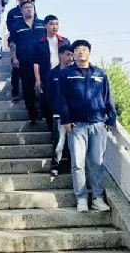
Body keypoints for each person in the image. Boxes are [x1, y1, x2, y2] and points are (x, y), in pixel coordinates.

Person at [58, 40, 116, 213]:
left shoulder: (99, 73)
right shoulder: (66, 74)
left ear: (89, 52)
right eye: (77, 50)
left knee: (97, 162)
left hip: (97, 124)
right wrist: (66, 119)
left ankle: (97, 198)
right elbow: (61, 98)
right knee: (78, 163)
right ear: (73, 54)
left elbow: (108, 96)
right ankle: (81, 198)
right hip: (76, 125)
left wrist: (111, 118)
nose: (81, 52)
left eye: (84, 49)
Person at [9, 1, 46, 122]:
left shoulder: (42, 24)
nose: (29, 9)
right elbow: (12, 43)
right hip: (25, 60)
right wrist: (14, 58)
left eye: (31, 7)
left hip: (43, 60)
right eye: (26, 7)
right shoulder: (16, 27)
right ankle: (32, 114)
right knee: (27, 86)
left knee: (45, 85)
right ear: (21, 11)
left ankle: (46, 112)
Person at [33, 15, 71, 131]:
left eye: (56, 24)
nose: (54, 27)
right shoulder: (40, 43)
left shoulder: (64, 41)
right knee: (49, 101)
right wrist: (38, 79)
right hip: (48, 75)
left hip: (64, 74)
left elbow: (71, 58)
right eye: (51, 24)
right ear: (45, 26)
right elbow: (36, 63)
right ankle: (53, 130)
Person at [45, 45, 73, 176]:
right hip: (58, 114)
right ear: (60, 55)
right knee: (59, 142)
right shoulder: (53, 74)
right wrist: (55, 108)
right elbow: (49, 95)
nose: (70, 58)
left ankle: (72, 166)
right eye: (68, 54)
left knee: (73, 143)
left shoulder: (75, 73)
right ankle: (55, 165)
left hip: (74, 114)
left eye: (72, 55)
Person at [6, 0, 33, 101]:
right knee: (16, 70)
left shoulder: (31, 9)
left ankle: (32, 93)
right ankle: (15, 92)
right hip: (16, 42)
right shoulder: (12, 12)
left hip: (30, 45)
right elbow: (10, 27)